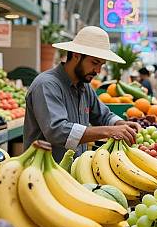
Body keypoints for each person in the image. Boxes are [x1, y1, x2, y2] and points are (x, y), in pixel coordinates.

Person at [24, 26, 141, 162]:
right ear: (76, 56)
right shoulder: (46, 85)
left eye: (101, 65)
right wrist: (110, 131)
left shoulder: (84, 87)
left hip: (72, 172)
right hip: (43, 174)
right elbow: (58, 131)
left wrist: (121, 124)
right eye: (95, 62)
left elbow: (102, 115)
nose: (97, 70)